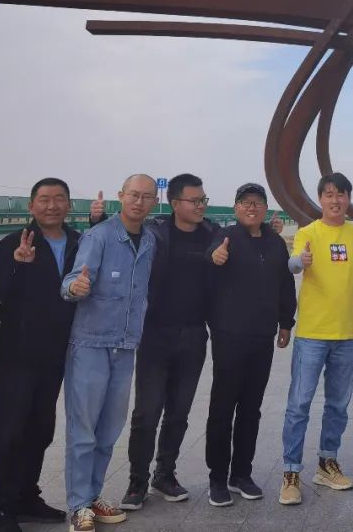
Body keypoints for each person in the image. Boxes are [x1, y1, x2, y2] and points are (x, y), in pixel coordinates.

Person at [61, 174, 159, 532]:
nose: (139, 201)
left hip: (125, 345)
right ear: (121, 196)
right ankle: (78, 505)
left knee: (108, 430)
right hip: (90, 344)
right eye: (133, 194)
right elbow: (70, 281)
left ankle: (93, 495)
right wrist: (76, 287)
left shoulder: (149, 240)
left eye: (146, 196)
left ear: (154, 202)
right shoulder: (99, 236)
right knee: (83, 429)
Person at [0, 178, 79, 532]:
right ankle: (2, 507)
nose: (52, 206)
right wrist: (16, 264)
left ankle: (26, 496)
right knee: (9, 429)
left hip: (56, 353)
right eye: (44, 199)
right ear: (31, 206)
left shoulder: (79, 243)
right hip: (17, 352)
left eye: (59, 199)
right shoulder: (13, 243)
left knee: (40, 428)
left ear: (69, 205)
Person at [119, 174, 220, 511]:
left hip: (194, 335)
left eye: (203, 200)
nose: (201, 206)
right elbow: (122, 237)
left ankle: (165, 474)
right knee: (146, 413)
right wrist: (94, 218)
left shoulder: (213, 234)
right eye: (195, 201)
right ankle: (137, 481)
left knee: (179, 412)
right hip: (155, 335)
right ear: (175, 203)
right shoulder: (155, 233)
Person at [279, 172, 353, 506]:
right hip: (312, 334)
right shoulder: (308, 232)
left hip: (346, 334)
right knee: (299, 404)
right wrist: (299, 262)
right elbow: (293, 264)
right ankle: (291, 472)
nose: (335, 200)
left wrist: (344, 296)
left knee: (338, 405)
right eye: (329, 194)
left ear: (349, 199)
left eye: (341, 194)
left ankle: (326, 463)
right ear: (321, 199)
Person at [204, 183, 296, 507]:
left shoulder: (275, 243)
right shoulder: (225, 236)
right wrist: (215, 257)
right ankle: (217, 477)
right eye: (245, 202)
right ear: (236, 208)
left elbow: (285, 284)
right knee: (222, 407)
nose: (251, 207)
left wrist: (286, 322)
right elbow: (210, 257)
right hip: (229, 335)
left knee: (251, 408)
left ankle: (241, 474)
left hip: (262, 337)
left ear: (265, 208)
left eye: (257, 202)